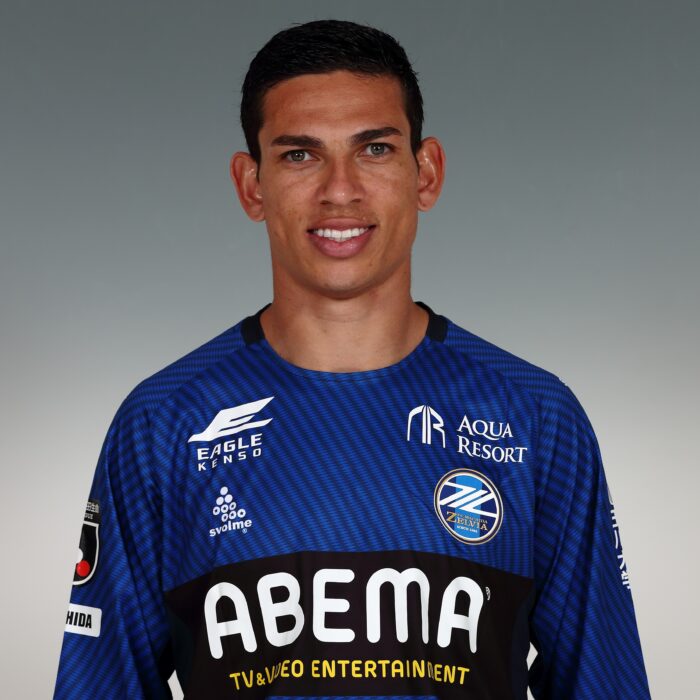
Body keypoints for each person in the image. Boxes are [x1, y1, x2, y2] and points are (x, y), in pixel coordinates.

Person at [53, 19, 651, 699]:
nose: (340, 190)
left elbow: (607, 684)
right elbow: (98, 686)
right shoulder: (162, 424)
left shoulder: (535, 417)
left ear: (426, 173)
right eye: (299, 155)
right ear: (251, 185)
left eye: (374, 149)